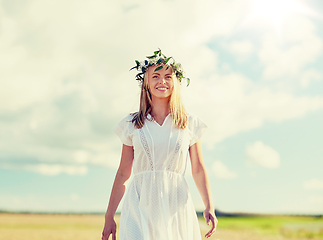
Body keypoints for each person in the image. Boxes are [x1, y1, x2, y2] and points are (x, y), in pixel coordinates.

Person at [102, 49, 217, 240]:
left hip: (175, 204)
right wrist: (109, 215)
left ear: (175, 82)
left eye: (167, 76)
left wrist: (209, 205)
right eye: (155, 76)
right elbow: (123, 172)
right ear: (146, 83)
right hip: (139, 203)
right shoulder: (132, 124)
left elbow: (198, 168)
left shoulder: (188, 123)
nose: (162, 81)